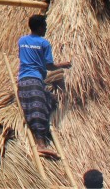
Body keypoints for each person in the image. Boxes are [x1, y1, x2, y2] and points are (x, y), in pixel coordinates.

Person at [16, 14, 72, 159]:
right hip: (35, 79)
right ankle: (41, 145)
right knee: (37, 109)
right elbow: (49, 66)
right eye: (45, 27)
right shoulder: (44, 43)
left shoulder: (22, 40)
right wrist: (63, 65)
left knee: (47, 101)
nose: (45, 29)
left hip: (23, 80)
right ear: (40, 27)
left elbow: (23, 57)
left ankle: (43, 136)